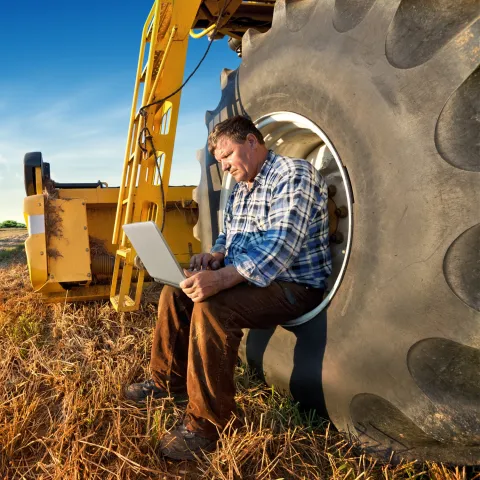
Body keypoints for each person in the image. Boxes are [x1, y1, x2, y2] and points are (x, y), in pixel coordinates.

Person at [124, 115, 332, 460]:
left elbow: (281, 246)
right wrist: (216, 256)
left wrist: (220, 279)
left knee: (212, 307)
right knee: (175, 293)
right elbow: (229, 234)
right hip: (251, 279)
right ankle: (166, 384)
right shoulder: (241, 186)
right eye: (218, 160)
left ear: (252, 141)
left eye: (227, 155)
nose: (223, 167)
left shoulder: (293, 175)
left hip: (292, 283)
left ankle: (207, 424)